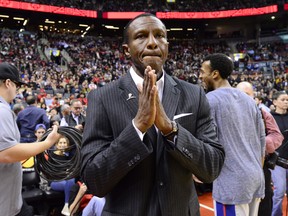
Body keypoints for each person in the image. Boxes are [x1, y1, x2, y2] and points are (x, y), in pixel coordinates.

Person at [81, 13, 225, 216]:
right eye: (141, 36)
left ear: (167, 45)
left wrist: (170, 129)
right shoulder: (102, 98)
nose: (152, 43)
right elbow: (93, 180)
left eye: (159, 36)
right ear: (126, 49)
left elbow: (212, 167)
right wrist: (137, 127)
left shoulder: (195, 94)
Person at [199, 53, 265, 216]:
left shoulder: (210, 100)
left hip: (232, 183)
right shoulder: (249, 100)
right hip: (255, 178)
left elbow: (206, 144)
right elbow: (262, 142)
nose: (200, 75)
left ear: (215, 74)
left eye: (202, 71)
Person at [0, 62, 61, 216]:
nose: (17, 90)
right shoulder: (2, 110)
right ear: (8, 83)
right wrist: (47, 142)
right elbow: (6, 152)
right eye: (16, 85)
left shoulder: (13, 111)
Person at [236, 81, 283, 216]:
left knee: (263, 204)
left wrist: (260, 144)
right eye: (240, 94)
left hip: (260, 167)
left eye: (247, 94)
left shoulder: (263, 113)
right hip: (237, 170)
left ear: (253, 97)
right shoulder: (226, 112)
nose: (243, 97)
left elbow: (276, 136)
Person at [270, 91, 288, 216]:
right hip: (277, 161)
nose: (286, 102)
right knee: (280, 191)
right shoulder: (269, 118)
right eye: (283, 99)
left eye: (287, 100)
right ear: (275, 102)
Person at [50, 136, 75, 216]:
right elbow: (51, 172)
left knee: (71, 181)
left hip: (65, 180)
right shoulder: (51, 155)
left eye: (64, 143)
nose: (62, 145)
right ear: (56, 145)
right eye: (60, 143)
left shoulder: (66, 157)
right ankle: (68, 206)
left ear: (67, 145)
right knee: (70, 185)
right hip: (54, 181)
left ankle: (66, 206)